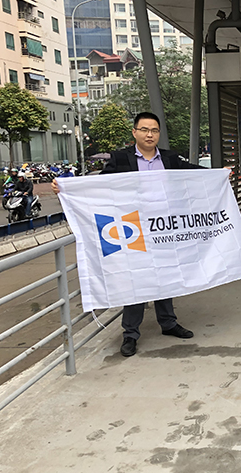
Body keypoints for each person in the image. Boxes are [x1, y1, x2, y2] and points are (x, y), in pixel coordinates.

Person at [52, 111, 203, 358]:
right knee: (137, 280)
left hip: (163, 227)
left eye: (154, 130)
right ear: (134, 132)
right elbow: (99, 186)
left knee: (166, 275)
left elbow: (191, 173)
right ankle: (130, 334)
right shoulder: (120, 158)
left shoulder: (170, 158)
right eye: (144, 129)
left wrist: (219, 173)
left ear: (159, 134)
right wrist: (66, 187)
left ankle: (168, 323)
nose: (149, 134)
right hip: (133, 229)